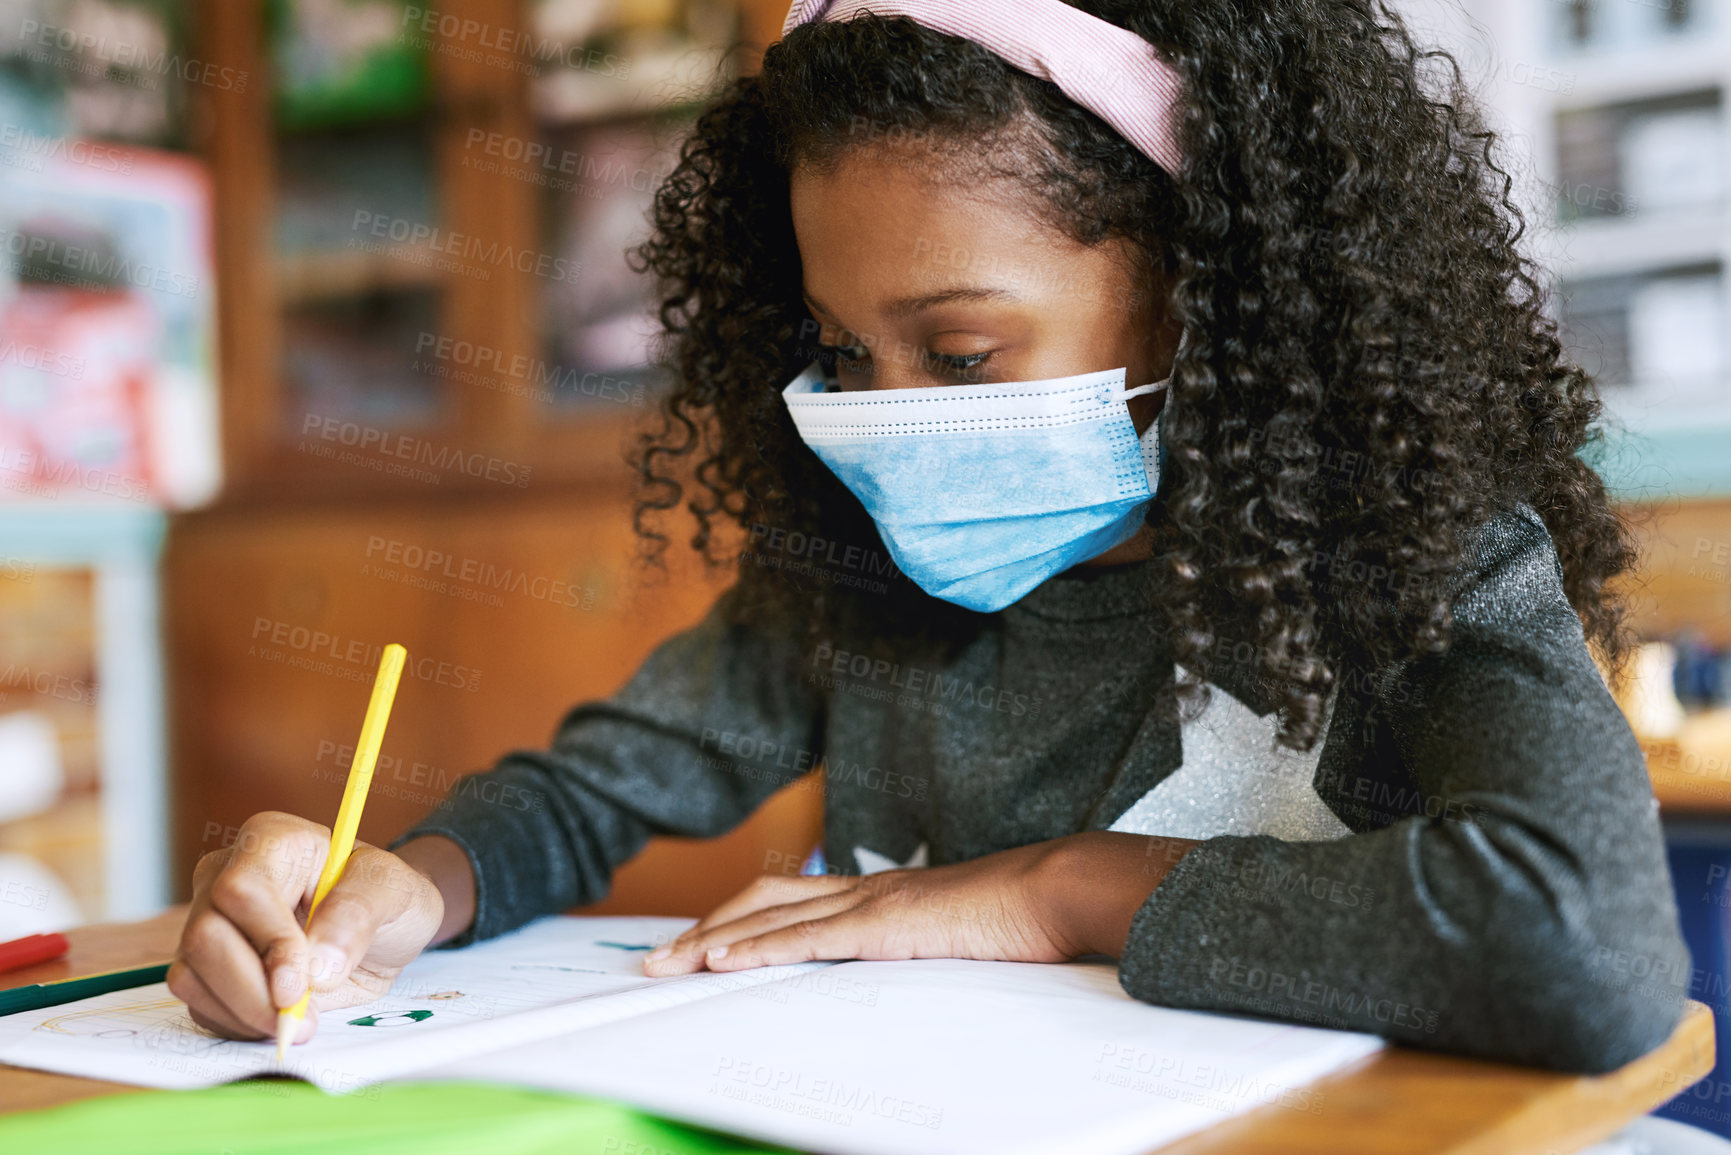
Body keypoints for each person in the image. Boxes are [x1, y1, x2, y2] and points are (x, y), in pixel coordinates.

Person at [168, 0, 1691, 1075]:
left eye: (960, 356)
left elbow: (1586, 948)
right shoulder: (854, 568)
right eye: (840, 353)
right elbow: (582, 797)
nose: (886, 420)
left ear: (1205, 286)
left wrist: (1053, 889)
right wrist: (397, 894)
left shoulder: (1408, 557)